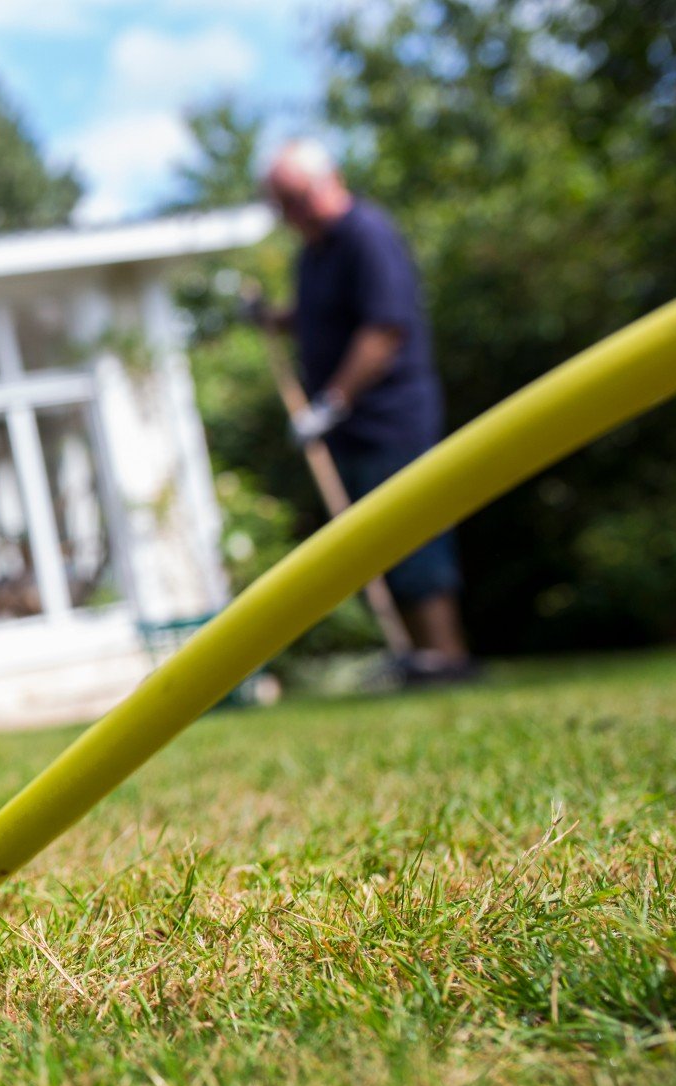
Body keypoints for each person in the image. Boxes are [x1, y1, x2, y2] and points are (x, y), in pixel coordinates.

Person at [257, 139, 476, 682]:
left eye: (295, 200)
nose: (291, 216)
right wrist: (272, 319)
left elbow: (384, 329)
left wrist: (333, 402)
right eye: (282, 206)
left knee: (414, 535)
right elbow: (314, 317)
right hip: (349, 431)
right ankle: (415, 657)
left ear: (329, 181)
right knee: (379, 547)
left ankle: (447, 657)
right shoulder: (315, 253)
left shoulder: (366, 236)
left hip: (391, 419)